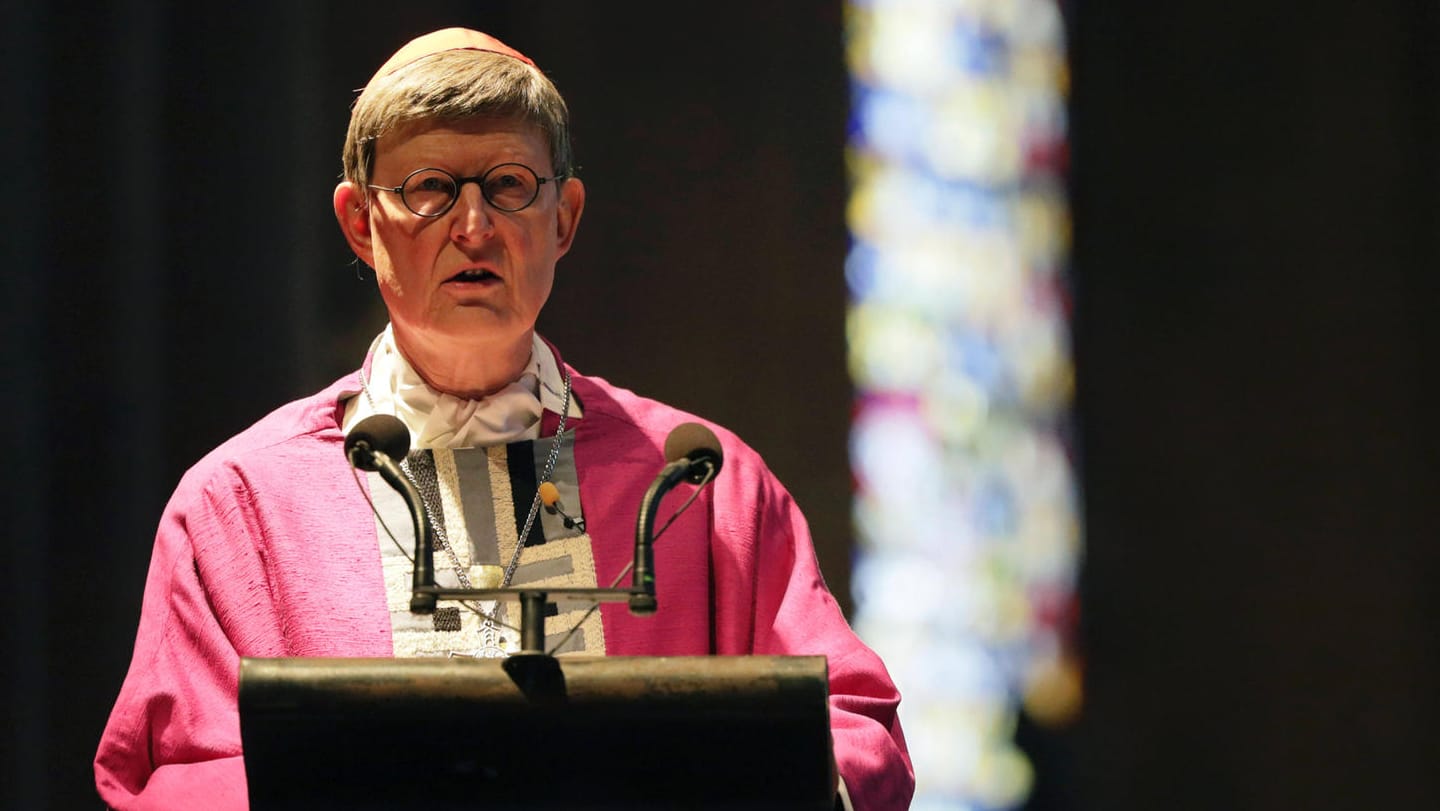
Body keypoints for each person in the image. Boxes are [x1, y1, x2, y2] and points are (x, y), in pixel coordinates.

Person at [94, 27, 913, 810]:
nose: (474, 226)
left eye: (510, 186)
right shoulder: (240, 506)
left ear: (564, 219)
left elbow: (850, 727)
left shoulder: (700, 486)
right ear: (359, 223)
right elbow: (174, 773)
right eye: (429, 189)